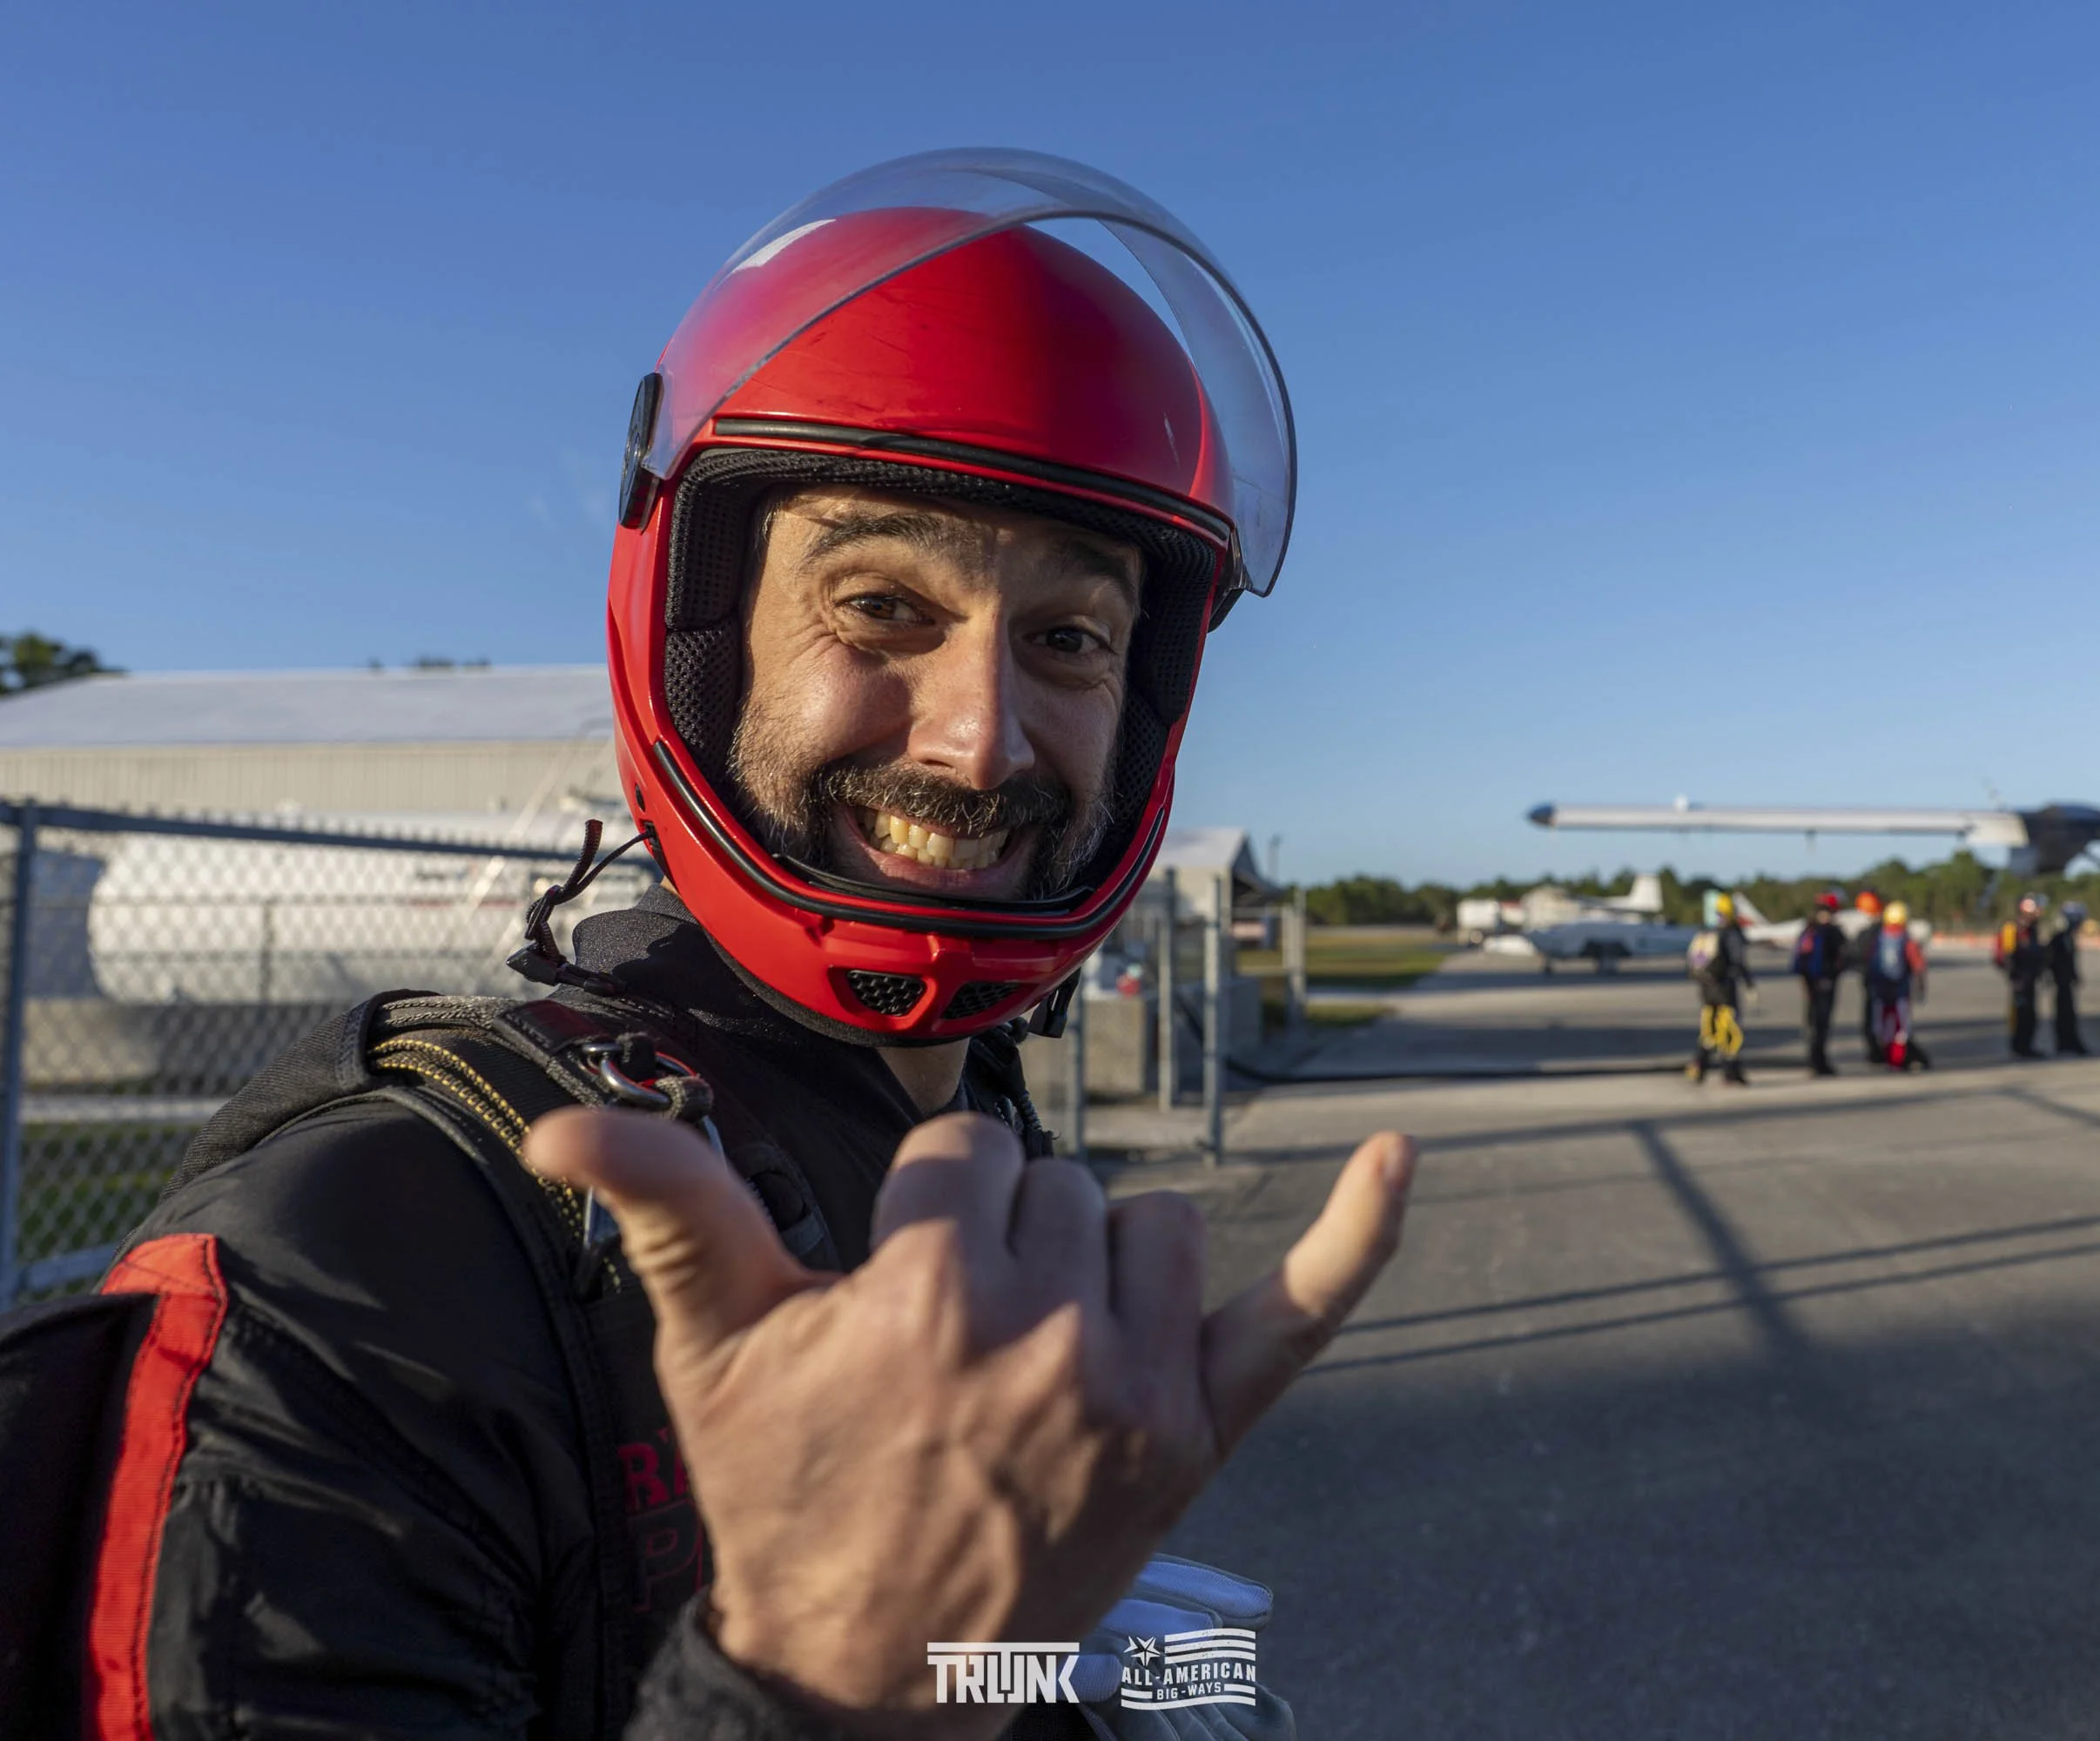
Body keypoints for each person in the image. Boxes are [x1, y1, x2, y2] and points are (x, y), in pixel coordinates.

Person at [49, 151, 1413, 1740]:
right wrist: (818, 1686)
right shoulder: (359, 1253)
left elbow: (984, 1661)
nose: (982, 744)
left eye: (1067, 639)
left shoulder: (965, 1134)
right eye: (883, 606)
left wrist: (1073, 1680)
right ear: (697, 637)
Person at [1687, 891, 1757, 1086]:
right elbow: (1738, 960)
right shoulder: (1731, 934)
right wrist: (1749, 983)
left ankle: (1699, 1065)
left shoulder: (1707, 933)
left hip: (1707, 991)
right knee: (1730, 1030)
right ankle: (1731, 1071)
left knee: (1709, 1030)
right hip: (1726, 990)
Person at [1866, 900, 1932, 1070]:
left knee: (1883, 1026)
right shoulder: (1906, 939)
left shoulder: (1879, 939)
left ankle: (1889, 1058)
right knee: (1901, 1027)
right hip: (1901, 991)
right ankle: (1899, 1059)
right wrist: (1921, 988)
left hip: (1880, 991)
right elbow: (1918, 966)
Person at [1791, 891, 1849, 1076]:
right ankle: (1819, 1062)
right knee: (1822, 1024)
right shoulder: (1832, 931)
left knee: (1812, 1022)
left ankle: (1813, 1060)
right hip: (1826, 983)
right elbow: (1844, 956)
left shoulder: (1808, 929)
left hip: (1808, 984)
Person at [1995, 892, 2050, 1059]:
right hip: (2020, 979)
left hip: (2030, 977)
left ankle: (2027, 1045)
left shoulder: (2032, 930)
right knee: (2021, 1013)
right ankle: (2020, 1046)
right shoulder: (2012, 928)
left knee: (2031, 1015)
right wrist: (2014, 973)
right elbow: (2005, 954)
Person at [1849, 889, 1886, 1062]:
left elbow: (1853, 954)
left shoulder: (1866, 933)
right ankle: (1882, 1051)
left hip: (1870, 981)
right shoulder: (1884, 931)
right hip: (1886, 983)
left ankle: (1875, 1053)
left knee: (1871, 1019)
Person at [2050, 900, 2090, 1055]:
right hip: (2061, 981)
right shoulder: (2060, 939)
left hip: (2066, 980)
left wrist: (2074, 975)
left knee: (2068, 1011)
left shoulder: (2068, 938)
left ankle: (2067, 1041)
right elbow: (2053, 960)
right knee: (2064, 1012)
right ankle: (2066, 1041)